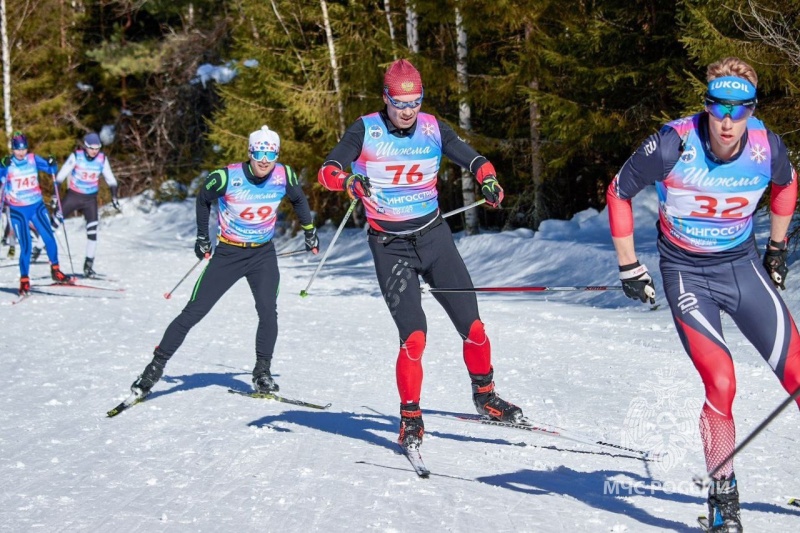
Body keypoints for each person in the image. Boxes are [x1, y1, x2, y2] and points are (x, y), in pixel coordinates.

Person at [606, 57, 800, 532]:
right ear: (706, 105)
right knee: (722, 381)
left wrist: (777, 248)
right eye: (719, 106)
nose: (729, 120)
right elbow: (618, 191)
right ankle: (724, 495)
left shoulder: (765, 146)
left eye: (741, 108)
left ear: (753, 109)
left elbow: (786, 185)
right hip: (687, 273)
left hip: (741, 267)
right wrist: (629, 265)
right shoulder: (673, 144)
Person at [317, 59, 523, 451]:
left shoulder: (432, 128)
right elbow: (328, 170)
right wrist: (349, 179)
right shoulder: (366, 129)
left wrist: (489, 180)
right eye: (400, 103)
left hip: (434, 239)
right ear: (386, 98)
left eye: (415, 102)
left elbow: (475, 160)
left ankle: (486, 397)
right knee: (414, 337)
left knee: (474, 328)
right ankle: (410, 417)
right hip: (389, 246)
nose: (408, 110)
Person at [128, 126, 319, 398]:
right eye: (260, 153)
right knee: (194, 311)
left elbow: (299, 199)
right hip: (229, 254)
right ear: (250, 152)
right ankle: (153, 369)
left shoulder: (283, 174)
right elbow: (203, 200)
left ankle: (262, 373)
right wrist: (202, 237)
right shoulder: (226, 176)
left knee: (268, 311)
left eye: (271, 154)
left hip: (262, 254)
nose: (265, 160)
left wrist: (310, 231)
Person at [0, 131, 69, 295]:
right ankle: (24, 280)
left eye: (24, 148)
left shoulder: (32, 159)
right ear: (13, 149)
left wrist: (52, 162)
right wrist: (2, 165)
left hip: (36, 206)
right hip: (18, 210)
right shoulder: (8, 163)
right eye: (17, 149)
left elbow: (51, 169)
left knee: (49, 237)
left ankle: (56, 270)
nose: (21, 152)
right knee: (26, 245)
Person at [55, 132, 120, 278]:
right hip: (73, 196)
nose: (94, 151)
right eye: (91, 148)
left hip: (90, 200)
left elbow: (111, 180)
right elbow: (60, 176)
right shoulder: (76, 156)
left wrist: (114, 197)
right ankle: (37, 251)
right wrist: (55, 194)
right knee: (54, 223)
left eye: (97, 148)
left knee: (92, 232)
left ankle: (88, 266)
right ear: (86, 146)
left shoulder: (102, 159)